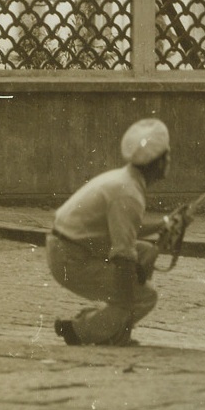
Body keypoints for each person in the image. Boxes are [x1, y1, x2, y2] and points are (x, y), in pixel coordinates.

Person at [47, 117, 171, 346]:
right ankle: (80, 330)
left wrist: (163, 224)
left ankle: (101, 322)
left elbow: (125, 228)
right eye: (167, 156)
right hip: (70, 258)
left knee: (143, 253)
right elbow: (123, 255)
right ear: (160, 163)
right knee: (145, 296)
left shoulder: (123, 181)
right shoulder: (129, 194)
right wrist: (128, 303)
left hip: (68, 246)